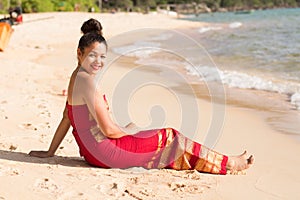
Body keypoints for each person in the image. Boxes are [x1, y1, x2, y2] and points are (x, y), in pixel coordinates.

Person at [29, 19, 254, 175]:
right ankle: (229, 163)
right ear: (79, 53)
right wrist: (130, 128)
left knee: (163, 138)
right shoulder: (86, 82)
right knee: (170, 136)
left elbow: (67, 118)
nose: (98, 62)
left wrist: (50, 152)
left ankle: (222, 161)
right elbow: (108, 131)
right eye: (92, 56)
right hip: (105, 153)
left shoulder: (75, 76)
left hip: (94, 151)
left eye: (102, 57)